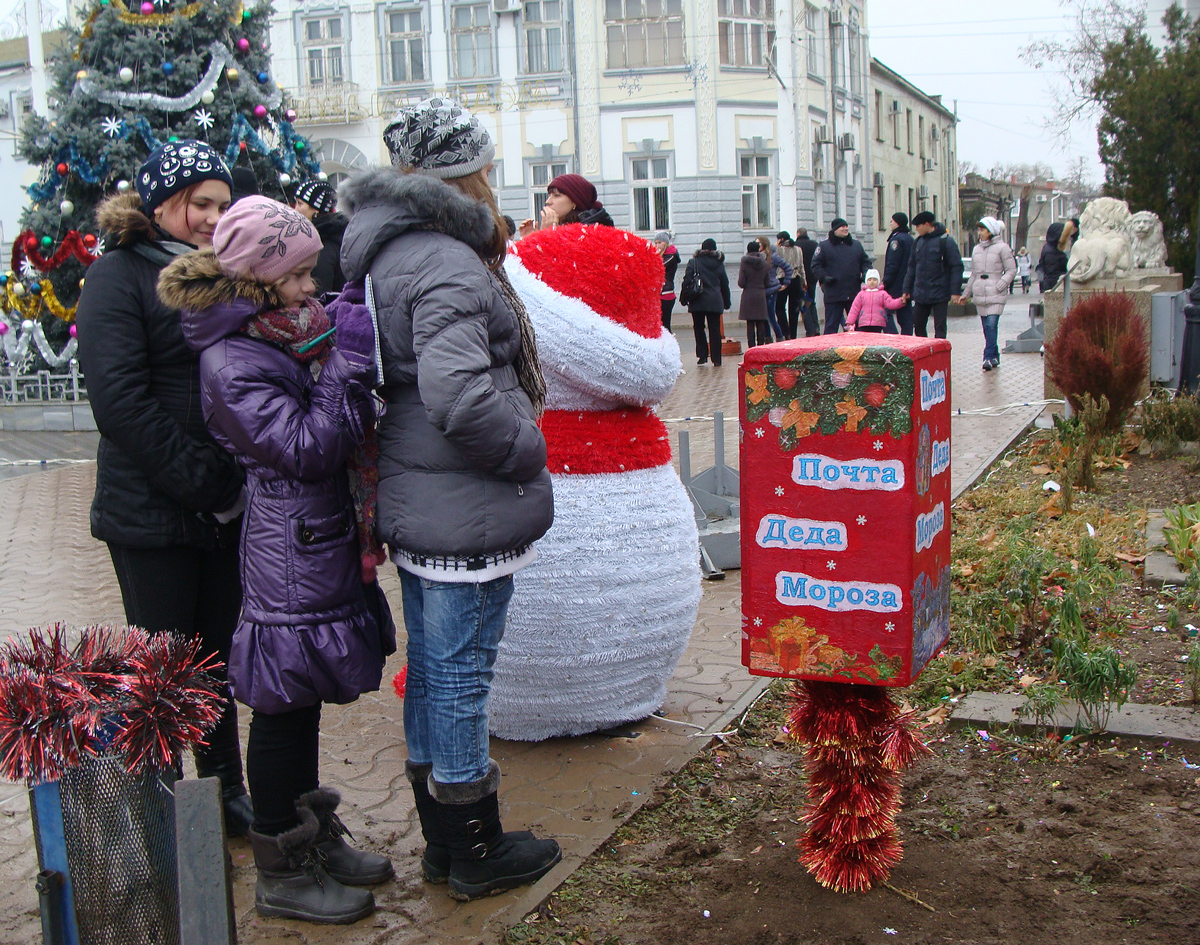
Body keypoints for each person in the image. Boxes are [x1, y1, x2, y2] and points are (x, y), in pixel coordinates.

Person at [338, 97, 561, 902]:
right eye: (487, 168)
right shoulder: (447, 260)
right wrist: (530, 446)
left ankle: (444, 839)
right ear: (464, 175)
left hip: (419, 494)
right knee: (462, 672)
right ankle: (473, 845)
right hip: (460, 502)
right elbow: (459, 396)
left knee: (435, 672)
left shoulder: (393, 250)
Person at [160, 196, 396, 924]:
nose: (308, 290)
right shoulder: (231, 359)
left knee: (304, 702)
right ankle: (282, 869)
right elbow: (303, 448)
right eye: (294, 278)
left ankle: (313, 837)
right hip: (288, 548)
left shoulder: (286, 333)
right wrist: (346, 361)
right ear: (257, 282)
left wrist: (345, 354)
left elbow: (346, 417)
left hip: (318, 539)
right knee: (282, 705)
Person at [74, 141, 252, 839]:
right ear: (160, 204)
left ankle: (223, 792)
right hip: (150, 510)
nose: (213, 216)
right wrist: (203, 479)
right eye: (199, 203)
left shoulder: (226, 271)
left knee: (215, 659)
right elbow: (120, 403)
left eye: (221, 203)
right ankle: (160, 805)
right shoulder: (117, 277)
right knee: (164, 666)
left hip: (220, 507)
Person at [490, 223, 701, 741]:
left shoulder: (506, 409)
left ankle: (526, 699)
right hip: (641, 485)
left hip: (526, 490)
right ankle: (621, 688)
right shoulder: (641, 414)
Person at [961, 216, 1017, 371]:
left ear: (991, 231)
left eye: (983, 230)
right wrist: (966, 293)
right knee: (986, 327)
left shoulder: (1003, 248)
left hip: (996, 291)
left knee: (992, 324)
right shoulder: (976, 249)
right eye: (979, 229)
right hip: (980, 291)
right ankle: (994, 355)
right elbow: (973, 273)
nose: (980, 233)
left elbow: (1011, 269)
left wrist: (1002, 283)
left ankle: (987, 357)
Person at [902, 210, 963, 339]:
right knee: (918, 325)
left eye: (918, 226)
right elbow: (912, 267)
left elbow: (956, 266)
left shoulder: (945, 241)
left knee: (939, 327)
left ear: (927, 224)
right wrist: (906, 289)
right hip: (920, 292)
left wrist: (955, 292)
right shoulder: (918, 242)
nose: (917, 229)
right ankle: (923, 352)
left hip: (939, 291)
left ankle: (939, 355)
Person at [810, 218, 871, 334]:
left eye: (846, 226)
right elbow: (815, 265)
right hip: (834, 292)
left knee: (857, 326)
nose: (845, 228)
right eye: (842, 227)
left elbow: (866, 262)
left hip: (853, 292)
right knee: (831, 326)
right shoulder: (824, 246)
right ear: (835, 230)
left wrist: (866, 274)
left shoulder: (856, 245)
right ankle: (828, 350)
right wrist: (824, 277)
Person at [291, 179, 347, 298]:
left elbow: (320, 294)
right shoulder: (335, 234)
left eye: (300, 203)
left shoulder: (323, 243)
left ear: (316, 210)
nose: (295, 209)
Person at [681, 238, 731, 365]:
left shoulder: (694, 262)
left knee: (698, 327)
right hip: (715, 300)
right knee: (715, 330)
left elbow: (687, 281)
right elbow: (724, 284)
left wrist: (683, 298)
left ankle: (702, 356)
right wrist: (727, 301)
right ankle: (717, 359)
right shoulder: (719, 263)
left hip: (697, 299)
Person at [518, 172, 613, 237]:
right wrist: (530, 240)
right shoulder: (562, 227)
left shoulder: (590, 232)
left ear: (575, 201)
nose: (548, 201)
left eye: (557, 195)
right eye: (549, 195)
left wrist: (548, 234)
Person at [845, 268, 906, 334]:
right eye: (869, 280)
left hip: (878, 323)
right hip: (864, 323)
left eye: (874, 280)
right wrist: (850, 322)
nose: (872, 282)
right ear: (866, 281)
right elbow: (855, 309)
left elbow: (891, 303)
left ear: (878, 281)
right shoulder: (861, 294)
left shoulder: (882, 294)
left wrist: (901, 301)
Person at [882, 212, 915, 334]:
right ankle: (907, 337)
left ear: (897, 223)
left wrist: (886, 281)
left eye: (891, 221)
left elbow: (893, 263)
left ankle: (893, 337)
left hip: (896, 283)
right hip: (907, 283)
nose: (890, 224)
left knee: (885, 312)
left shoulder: (896, 240)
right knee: (905, 313)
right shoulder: (910, 239)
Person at [758, 235, 793, 342]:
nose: (757, 245)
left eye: (759, 243)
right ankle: (768, 338)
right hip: (761, 290)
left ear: (764, 244)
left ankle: (779, 337)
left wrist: (785, 284)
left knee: (771, 316)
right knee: (763, 317)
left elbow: (788, 268)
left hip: (772, 289)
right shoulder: (758, 256)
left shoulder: (772, 256)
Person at [738, 239, 771, 347]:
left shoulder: (744, 263)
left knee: (750, 323)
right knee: (760, 321)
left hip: (748, 294)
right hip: (760, 294)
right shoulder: (764, 264)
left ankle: (751, 346)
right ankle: (761, 345)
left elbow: (741, 282)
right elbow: (767, 282)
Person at [774, 232, 806, 339]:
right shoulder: (798, 249)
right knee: (794, 309)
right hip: (796, 279)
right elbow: (801, 267)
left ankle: (785, 332)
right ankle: (793, 334)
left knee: (779, 307)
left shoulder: (778, 249)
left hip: (782, 279)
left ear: (781, 239)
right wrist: (803, 282)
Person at [794, 227, 820, 336]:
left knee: (803, 303)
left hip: (801, 278)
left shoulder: (795, 246)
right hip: (813, 277)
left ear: (798, 233)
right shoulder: (814, 245)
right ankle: (816, 327)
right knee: (812, 302)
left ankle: (809, 329)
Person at [1037, 220, 1074, 293]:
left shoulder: (1052, 249)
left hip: (1053, 285)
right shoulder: (1051, 252)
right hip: (1054, 287)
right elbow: (1053, 274)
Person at [655, 230, 681, 332]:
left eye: (660, 242)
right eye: (656, 242)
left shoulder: (671, 257)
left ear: (665, 243)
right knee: (660, 325)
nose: (657, 245)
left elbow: (658, 267)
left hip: (666, 294)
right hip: (659, 293)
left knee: (665, 326)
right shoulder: (662, 256)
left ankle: (669, 346)